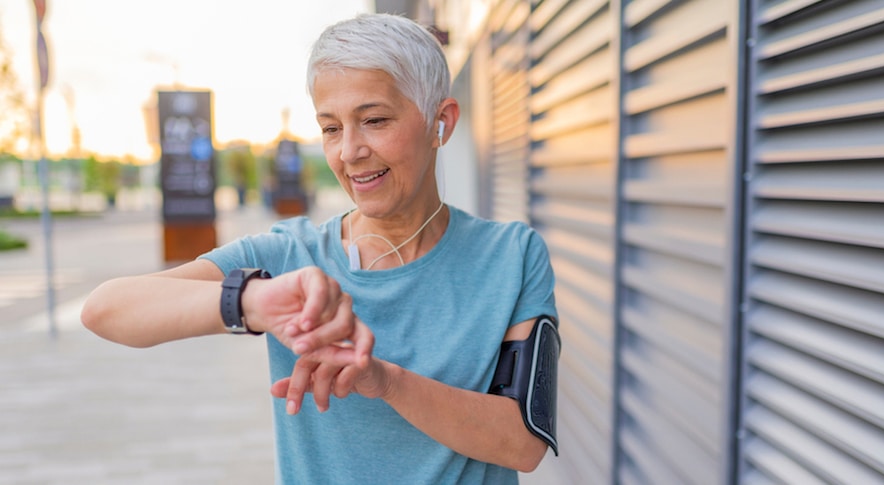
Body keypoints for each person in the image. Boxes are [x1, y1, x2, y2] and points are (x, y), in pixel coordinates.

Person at [82, 12, 558, 484]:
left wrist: (386, 381)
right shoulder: (287, 256)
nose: (349, 151)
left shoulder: (511, 256)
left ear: (441, 122)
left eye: (373, 120)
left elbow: (522, 443)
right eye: (331, 128)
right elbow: (105, 310)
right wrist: (253, 301)